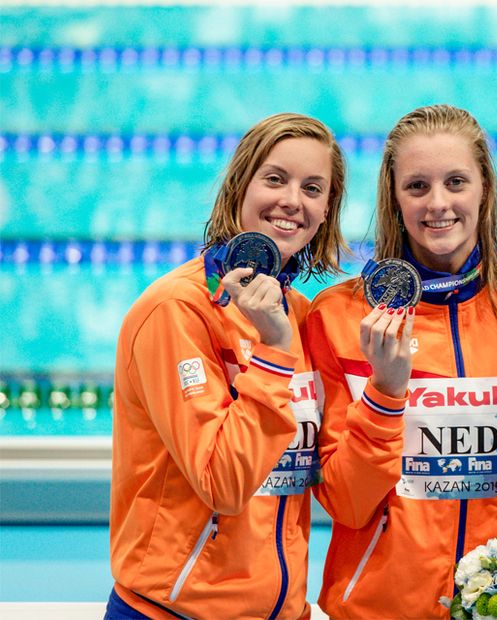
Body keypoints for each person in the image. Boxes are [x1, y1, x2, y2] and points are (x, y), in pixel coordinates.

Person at [306, 104, 497, 619]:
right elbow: (344, 501)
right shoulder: (340, 318)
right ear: (393, 197)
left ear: (485, 189)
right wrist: (385, 396)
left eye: (456, 182)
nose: (438, 204)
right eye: (417, 187)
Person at [107, 113, 347, 618]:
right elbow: (224, 484)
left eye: (312, 188)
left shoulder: (302, 316)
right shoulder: (177, 310)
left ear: (326, 210)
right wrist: (275, 351)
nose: (291, 201)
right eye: (275, 179)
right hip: (173, 612)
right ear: (240, 186)